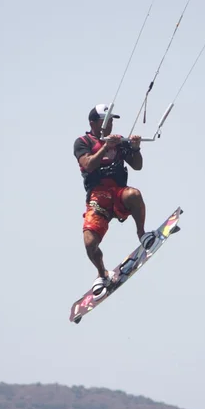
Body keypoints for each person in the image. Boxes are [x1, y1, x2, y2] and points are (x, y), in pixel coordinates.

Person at [73, 103, 158, 300]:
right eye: (106, 120)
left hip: (118, 192)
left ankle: (142, 234)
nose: (110, 124)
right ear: (94, 123)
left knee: (134, 195)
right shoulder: (82, 142)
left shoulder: (119, 142)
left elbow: (137, 166)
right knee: (89, 242)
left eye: (112, 120)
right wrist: (105, 147)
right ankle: (102, 274)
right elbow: (88, 164)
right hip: (98, 197)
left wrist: (135, 149)